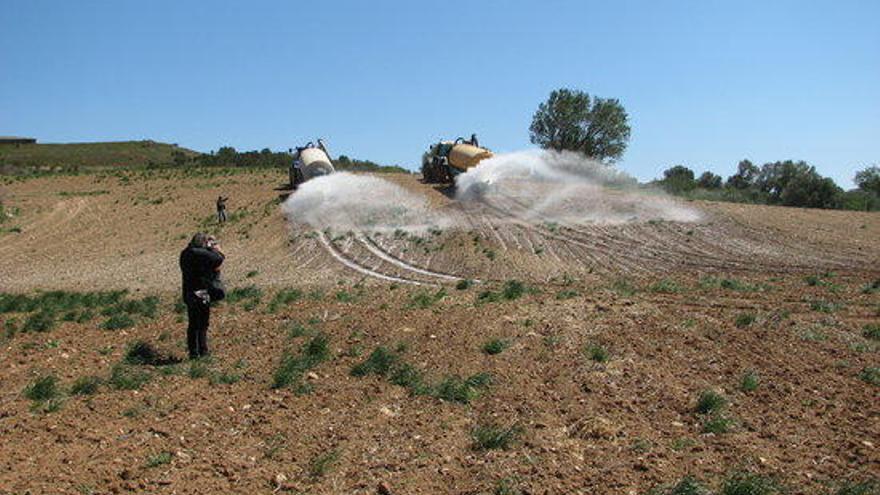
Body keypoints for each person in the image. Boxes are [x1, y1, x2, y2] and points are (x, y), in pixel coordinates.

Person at [179, 233, 225, 359]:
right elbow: (219, 259)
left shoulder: (185, 253)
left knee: (192, 323)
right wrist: (215, 248)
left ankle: (193, 352)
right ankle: (203, 351)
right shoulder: (199, 253)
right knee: (203, 323)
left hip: (188, 291)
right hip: (201, 292)